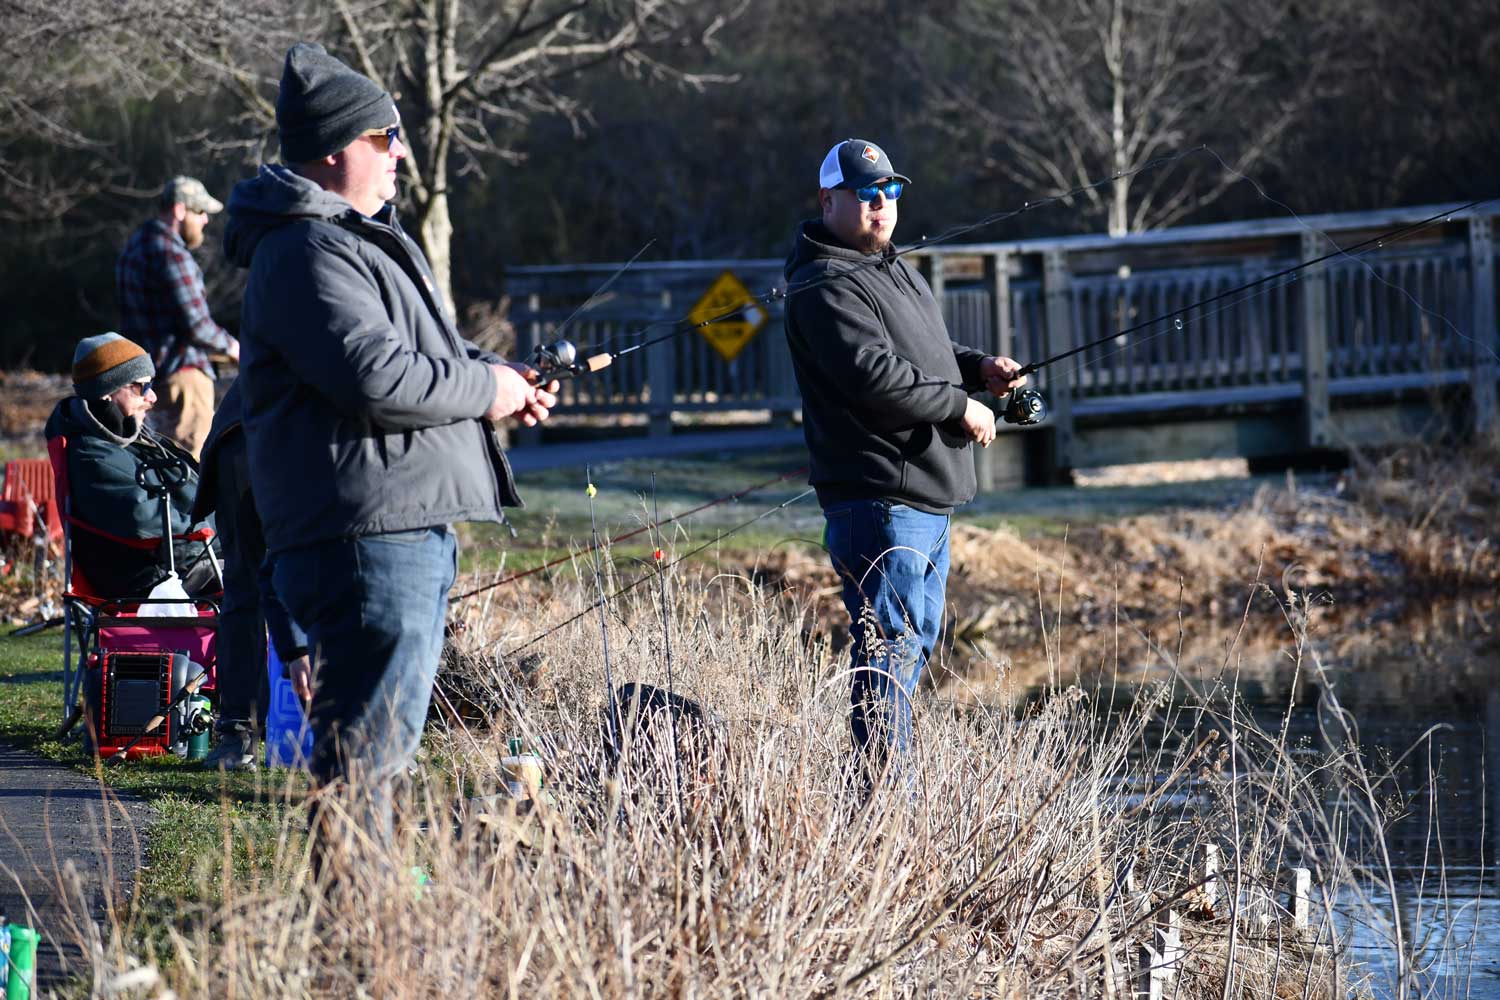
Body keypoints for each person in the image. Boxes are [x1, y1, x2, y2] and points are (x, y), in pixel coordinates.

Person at [223, 42, 556, 863]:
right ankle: (353, 956)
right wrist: (488, 394)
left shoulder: (347, 240)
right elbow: (375, 376)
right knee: (364, 770)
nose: (402, 150)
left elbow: (420, 351)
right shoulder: (304, 250)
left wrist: (497, 374)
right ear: (338, 149)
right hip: (368, 541)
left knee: (374, 764)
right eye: (386, 137)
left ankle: (356, 948)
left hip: (394, 532)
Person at [782, 138, 1026, 788]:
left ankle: (889, 805)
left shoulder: (887, 266)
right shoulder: (822, 285)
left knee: (908, 649)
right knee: (887, 653)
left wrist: (978, 369)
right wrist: (960, 408)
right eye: (867, 195)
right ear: (829, 200)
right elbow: (876, 377)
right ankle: (887, 809)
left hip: (923, 495)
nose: (882, 205)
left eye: (890, 192)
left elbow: (927, 349)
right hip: (881, 499)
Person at [191, 377, 311, 771]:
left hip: (260, 425)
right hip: (251, 435)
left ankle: (241, 736)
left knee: (252, 584)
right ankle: (238, 733)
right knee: (249, 582)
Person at [43, 333, 220, 597]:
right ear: (107, 392)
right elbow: (146, 520)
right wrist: (225, 531)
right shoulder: (91, 454)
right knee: (274, 567)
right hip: (152, 578)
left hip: (178, 561)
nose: (152, 398)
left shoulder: (127, 437)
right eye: (142, 386)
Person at [116, 175, 241, 459]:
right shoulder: (171, 253)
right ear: (179, 209)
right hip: (184, 384)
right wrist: (234, 348)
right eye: (200, 212)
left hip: (146, 384)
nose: (206, 220)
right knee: (193, 474)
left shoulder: (133, 248)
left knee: (161, 472)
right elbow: (197, 325)